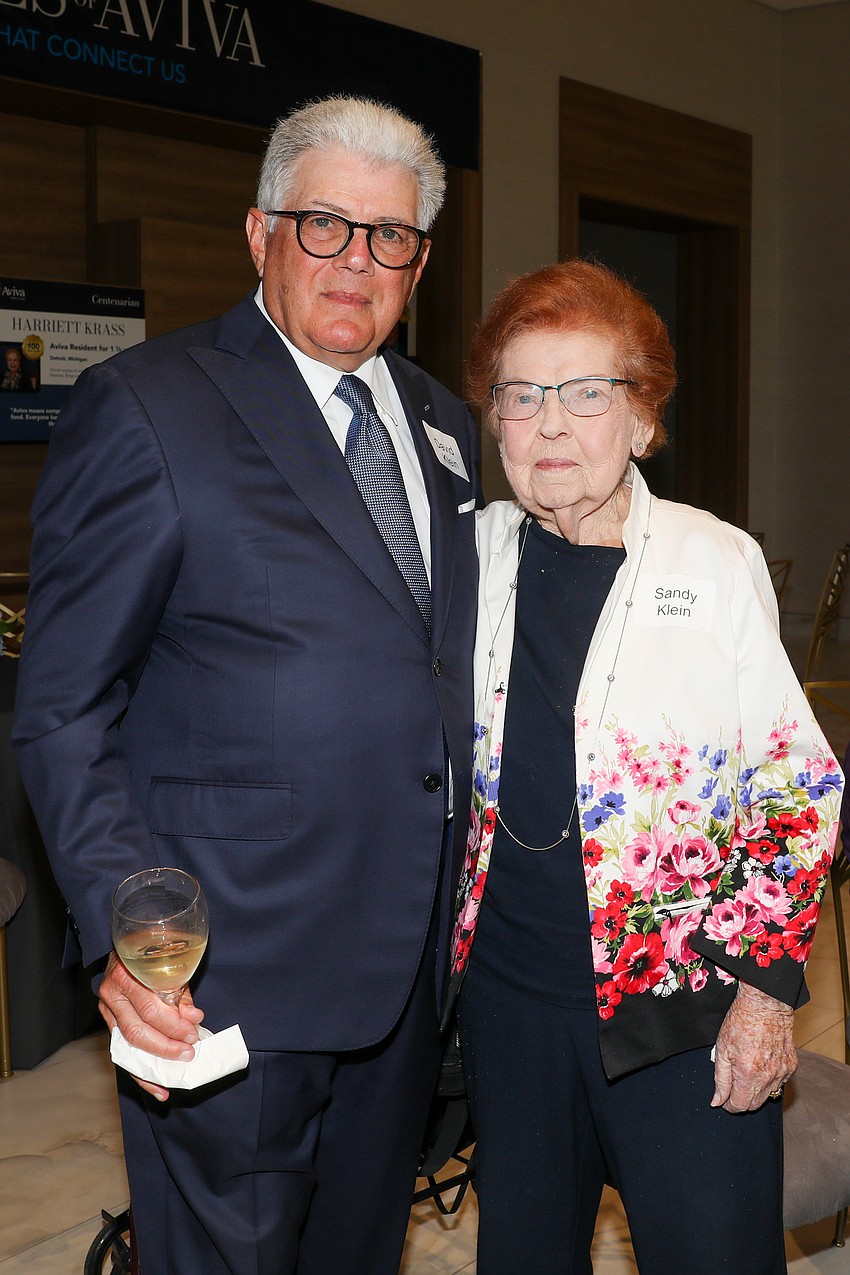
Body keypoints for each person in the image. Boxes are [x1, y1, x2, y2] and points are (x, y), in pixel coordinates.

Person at [12, 96, 480, 1275]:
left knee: (357, 1254)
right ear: (260, 232)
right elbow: (65, 706)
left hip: (407, 972)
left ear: (418, 261)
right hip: (227, 971)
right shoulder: (150, 408)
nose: (355, 261)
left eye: (388, 237)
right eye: (324, 225)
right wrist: (136, 931)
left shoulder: (445, 424)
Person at [448, 260, 843, 1274]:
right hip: (508, 998)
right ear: (493, 421)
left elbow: (800, 790)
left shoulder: (709, 564)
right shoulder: (469, 555)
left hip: (679, 1003)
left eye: (586, 393)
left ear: (643, 420)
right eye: (521, 395)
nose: (549, 426)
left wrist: (762, 997)